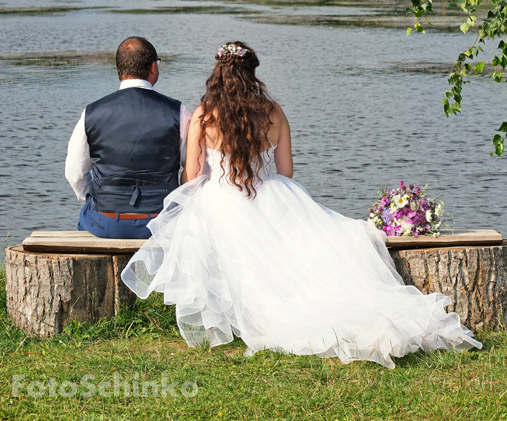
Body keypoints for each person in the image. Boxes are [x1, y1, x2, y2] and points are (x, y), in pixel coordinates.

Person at [121, 41, 482, 369]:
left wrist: (205, 190)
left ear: (217, 74)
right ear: (253, 74)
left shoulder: (204, 115)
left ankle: (227, 315)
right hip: (274, 193)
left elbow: (193, 172)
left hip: (219, 196)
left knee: (197, 225)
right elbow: (286, 171)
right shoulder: (273, 112)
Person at [65, 37, 191, 239]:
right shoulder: (178, 111)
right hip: (162, 222)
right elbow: (192, 168)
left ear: (119, 70)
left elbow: (75, 173)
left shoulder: (91, 113)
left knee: (88, 214)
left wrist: (96, 198)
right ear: (153, 67)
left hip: (105, 222)